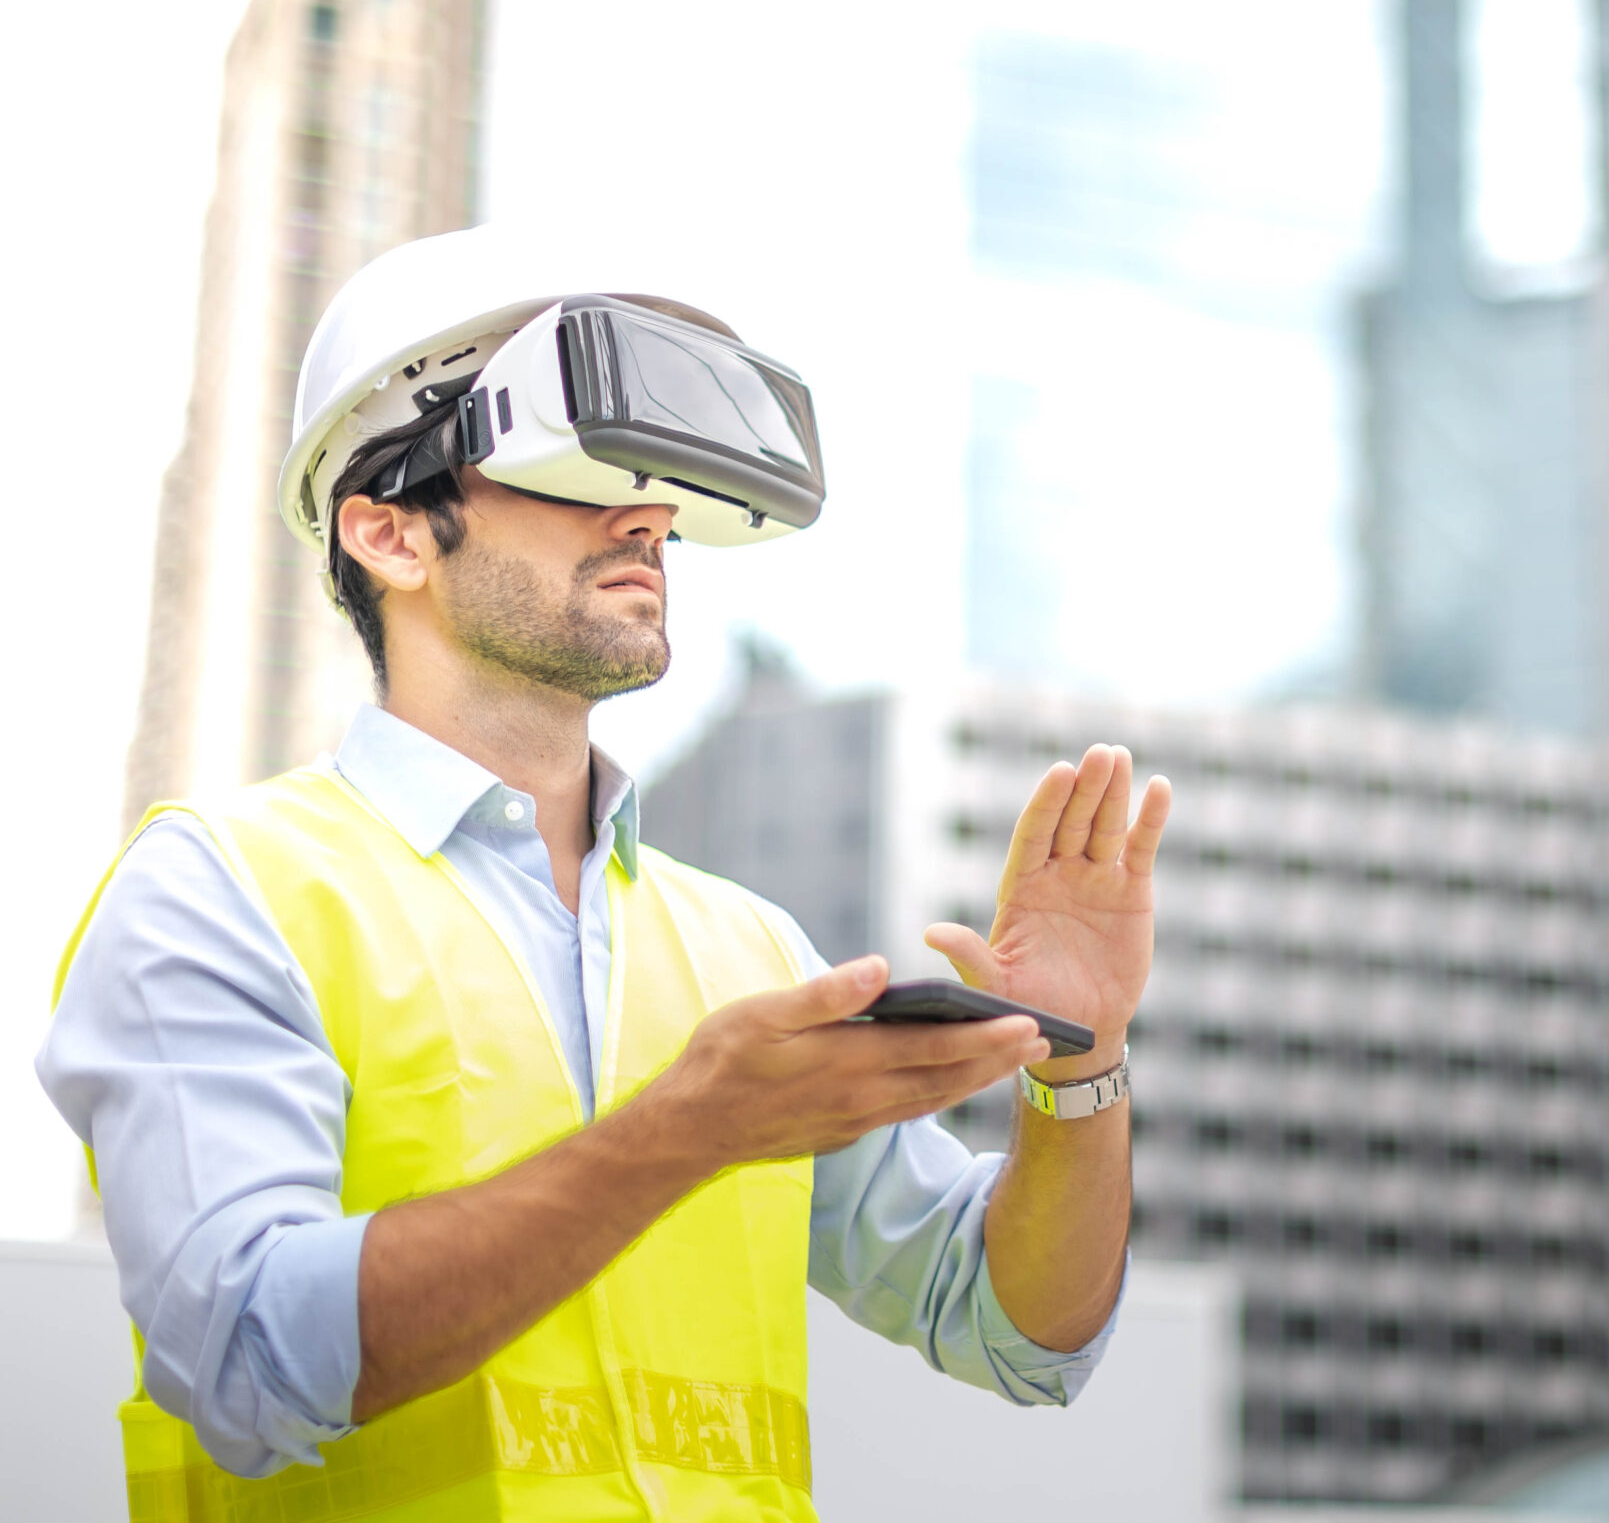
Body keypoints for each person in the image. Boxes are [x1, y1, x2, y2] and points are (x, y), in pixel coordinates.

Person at [39, 228, 1168, 1521]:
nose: (648, 516)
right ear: (391, 533)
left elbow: (1022, 1333)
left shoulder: (749, 953)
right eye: (576, 466)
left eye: (653, 478)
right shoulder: (221, 893)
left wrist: (1082, 1070)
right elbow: (244, 1359)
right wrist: (683, 1132)